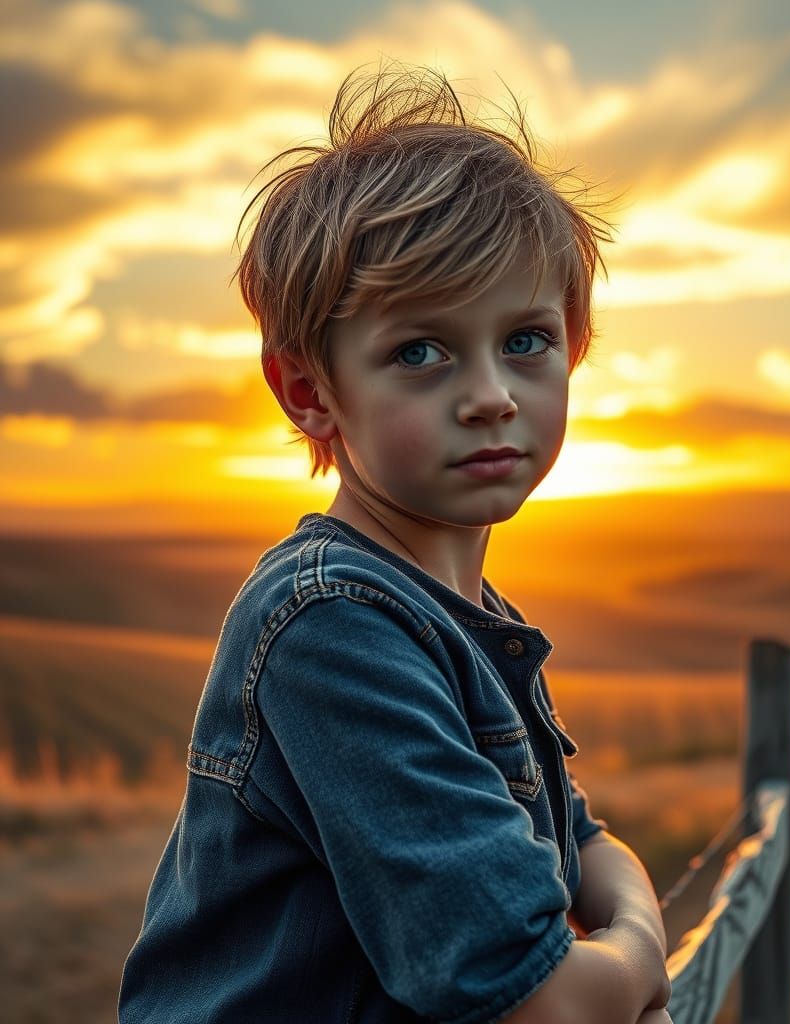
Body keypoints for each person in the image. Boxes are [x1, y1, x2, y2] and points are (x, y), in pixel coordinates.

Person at [118, 61, 672, 1024]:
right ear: (309, 391)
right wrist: (632, 963)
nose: (492, 393)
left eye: (528, 340)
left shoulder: (460, 616)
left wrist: (624, 945)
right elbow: (542, 1005)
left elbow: (584, 845)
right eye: (421, 351)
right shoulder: (333, 627)